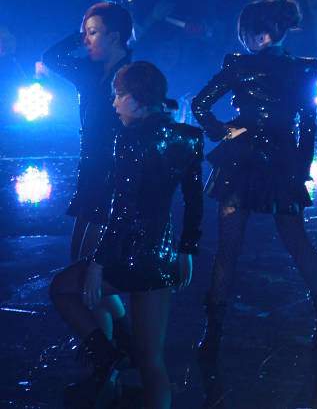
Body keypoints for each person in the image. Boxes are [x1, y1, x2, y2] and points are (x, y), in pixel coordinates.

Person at [190, 0, 317, 396]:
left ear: (261, 34)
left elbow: (199, 105)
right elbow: (309, 125)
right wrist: (300, 170)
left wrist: (224, 130)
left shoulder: (239, 65)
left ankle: (212, 331)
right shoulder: (304, 68)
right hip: (281, 162)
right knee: (296, 239)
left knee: (228, 249)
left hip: (242, 160)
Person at [49, 61, 203, 409]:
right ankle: (113, 356)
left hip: (126, 252)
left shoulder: (129, 140)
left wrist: (97, 264)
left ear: (136, 99)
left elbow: (122, 210)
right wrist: (186, 250)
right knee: (152, 361)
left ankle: (107, 356)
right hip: (160, 253)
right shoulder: (188, 138)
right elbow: (194, 201)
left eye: (119, 96)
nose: (114, 103)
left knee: (62, 288)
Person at [42, 3, 133, 260]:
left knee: (100, 223)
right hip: (91, 158)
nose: (86, 40)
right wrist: (79, 34)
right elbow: (51, 58)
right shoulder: (88, 71)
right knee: (85, 219)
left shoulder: (134, 75)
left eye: (92, 33)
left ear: (113, 37)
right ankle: (79, 277)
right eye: (85, 33)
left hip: (118, 161)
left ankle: (88, 278)